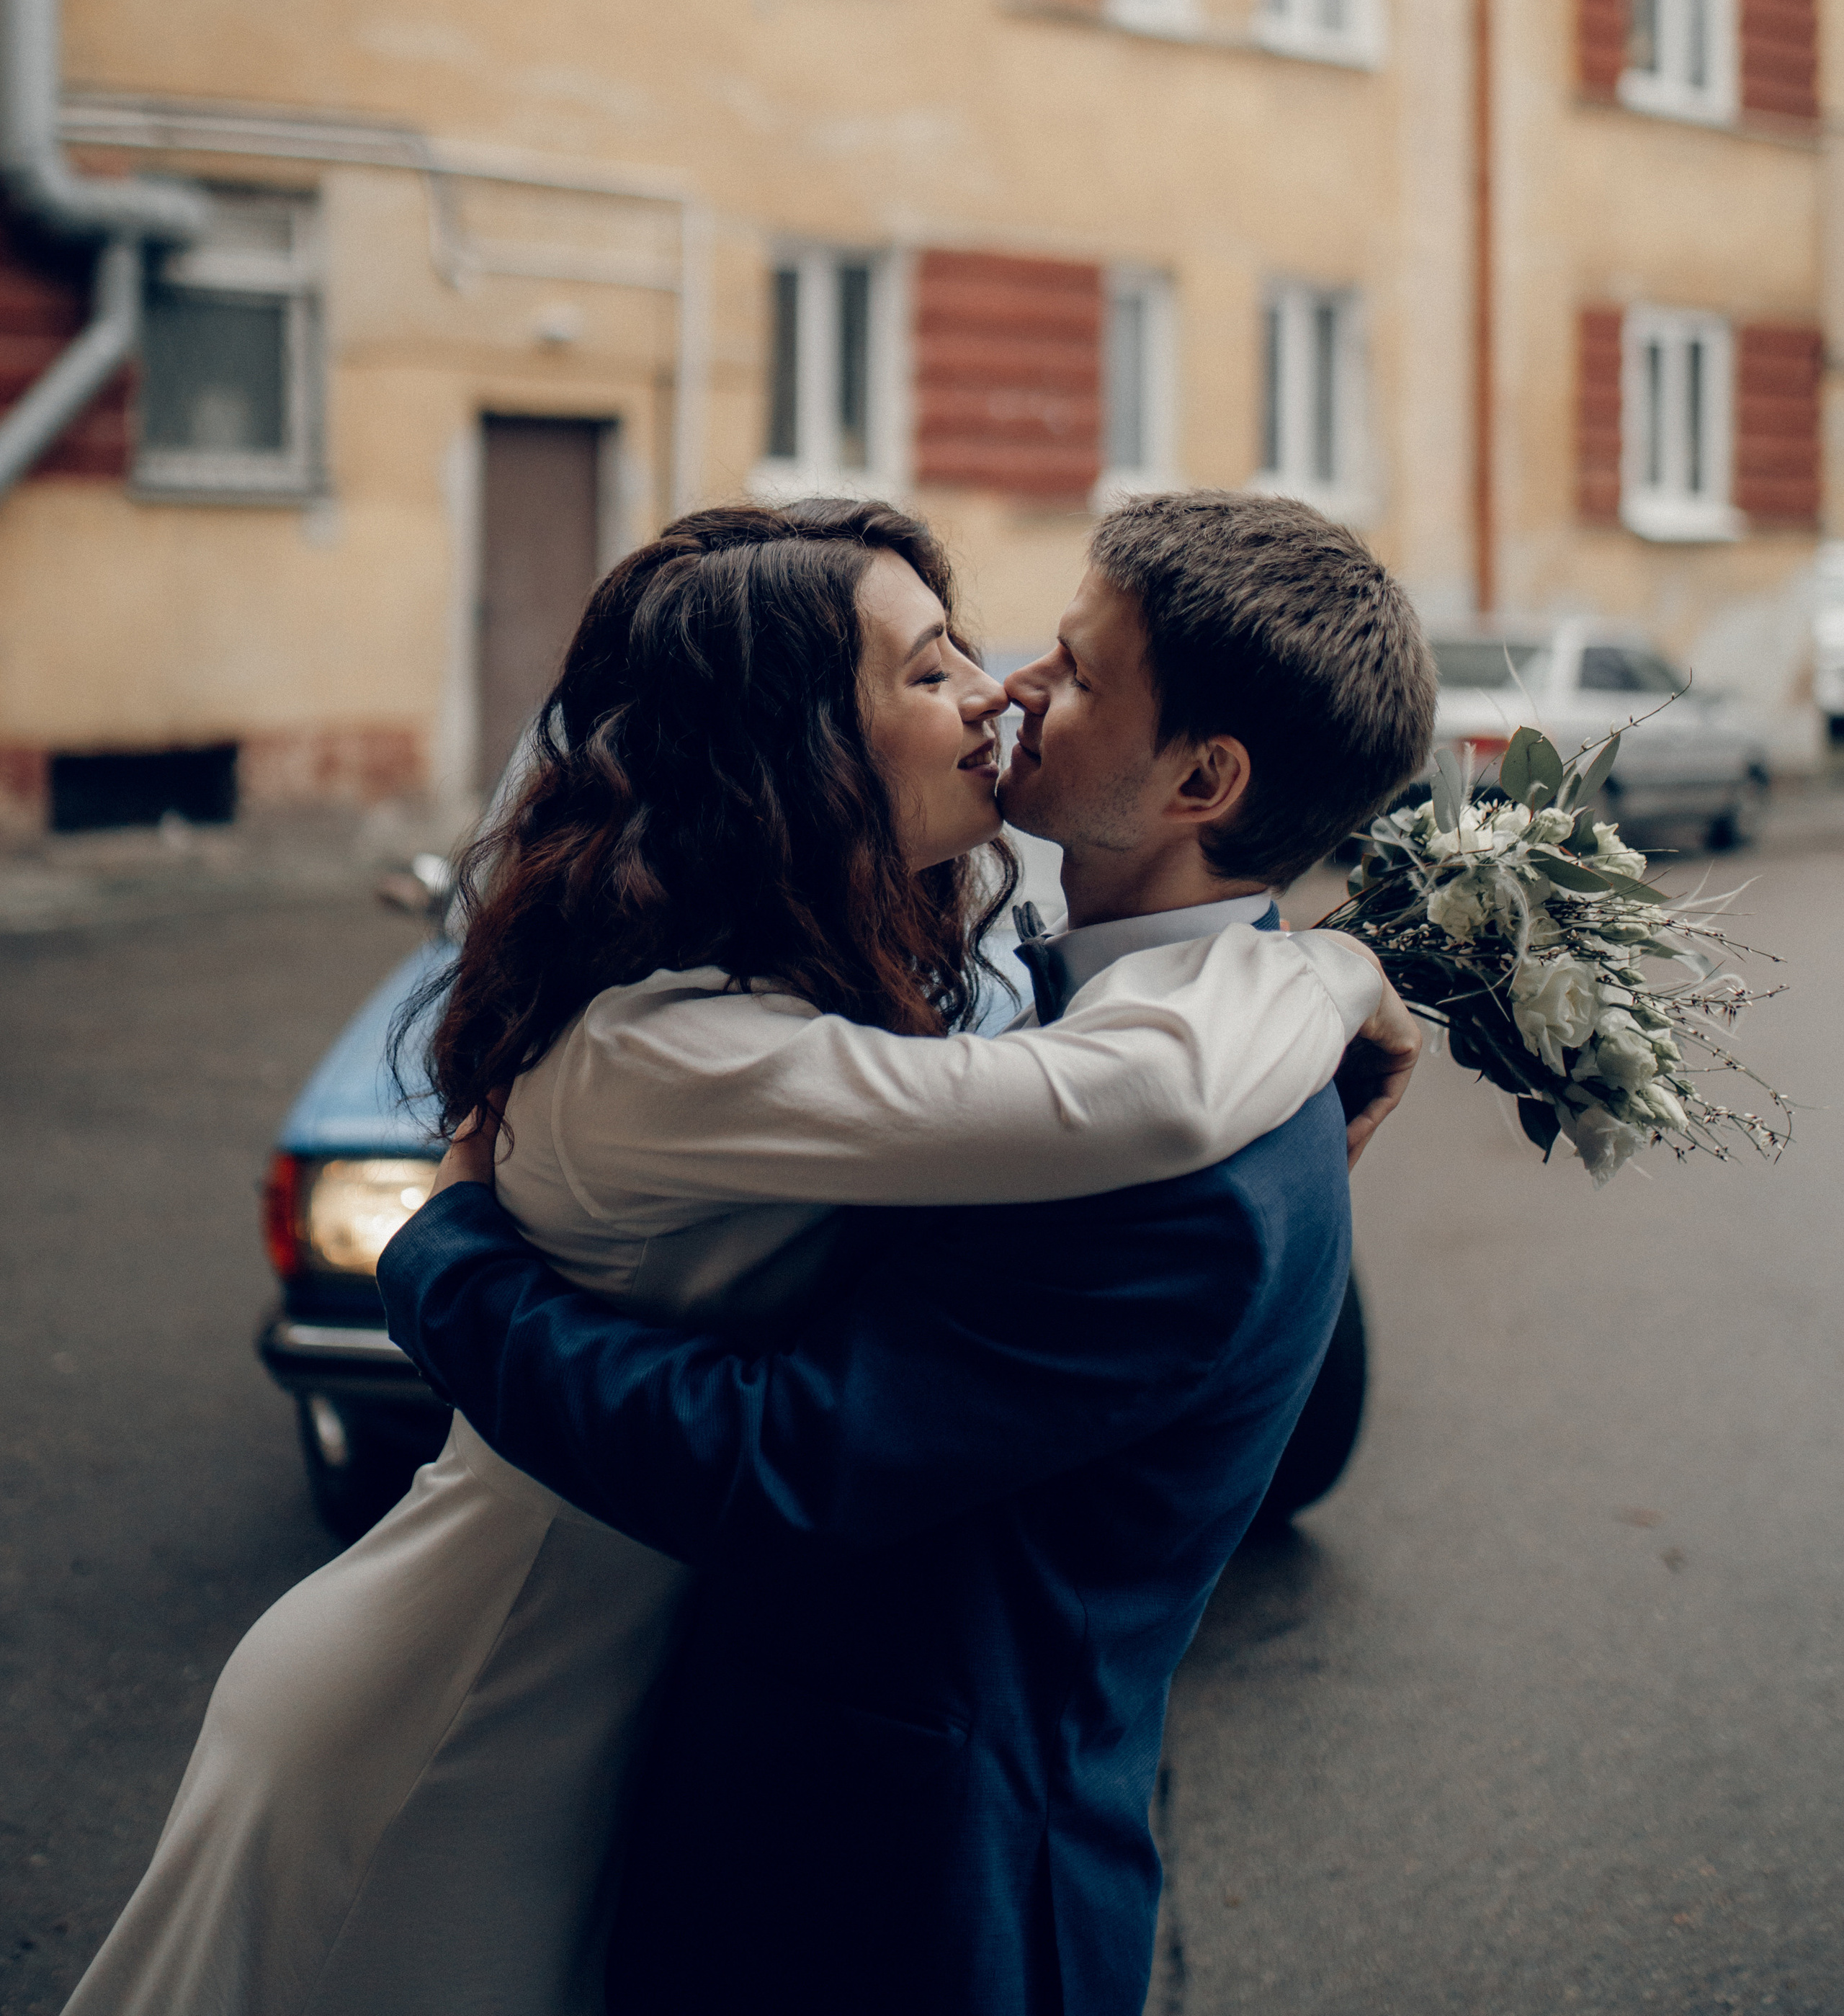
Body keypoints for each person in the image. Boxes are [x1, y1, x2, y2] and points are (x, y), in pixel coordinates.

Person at [63, 498, 1398, 2016]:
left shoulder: (1068, 1073)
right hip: (463, 1690)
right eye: (932, 668)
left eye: (1059, 669)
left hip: (838, 1815)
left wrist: (1315, 968)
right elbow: (1121, 1091)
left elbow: (817, 1429)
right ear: (798, 758)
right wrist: (1330, 967)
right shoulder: (691, 1044)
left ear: (1201, 779)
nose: (1001, 689)